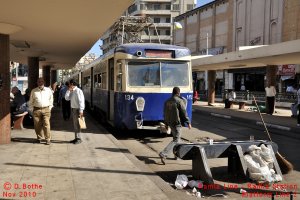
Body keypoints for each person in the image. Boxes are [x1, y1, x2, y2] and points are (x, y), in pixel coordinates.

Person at [159, 87, 191, 165]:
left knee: (175, 138)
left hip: (170, 123)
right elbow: (184, 112)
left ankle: (176, 155)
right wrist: (188, 122)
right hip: (177, 123)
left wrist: (166, 124)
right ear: (178, 93)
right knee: (176, 140)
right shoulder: (179, 101)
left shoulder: (167, 101)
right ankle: (163, 153)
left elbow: (165, 113)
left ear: (172, 92)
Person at [29, 78, 53, 145]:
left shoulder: (48, 90)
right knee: (37, 125)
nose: (40, 83)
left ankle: (48, 139)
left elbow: (51, 99)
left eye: (42, 81)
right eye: (39, 81)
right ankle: (39, 138)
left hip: (46, 109)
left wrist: (50, 108)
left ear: (44, 82)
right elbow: (31, 101)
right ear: (37, 82)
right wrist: (31, 110)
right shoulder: (34, 91)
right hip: (36, 110)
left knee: (46, 124)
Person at [65, 79, 85, 144]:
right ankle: (76, 138)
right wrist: (68, 91)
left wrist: (81, 111)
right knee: (75, 125)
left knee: (79, 125)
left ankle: (79, 139)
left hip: (78, 109)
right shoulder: (72, 91)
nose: (69, 86)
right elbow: (67, 98)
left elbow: (81, 101)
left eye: (69, 84)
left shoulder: (78, 91)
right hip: (73, 109)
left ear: (72, 84)